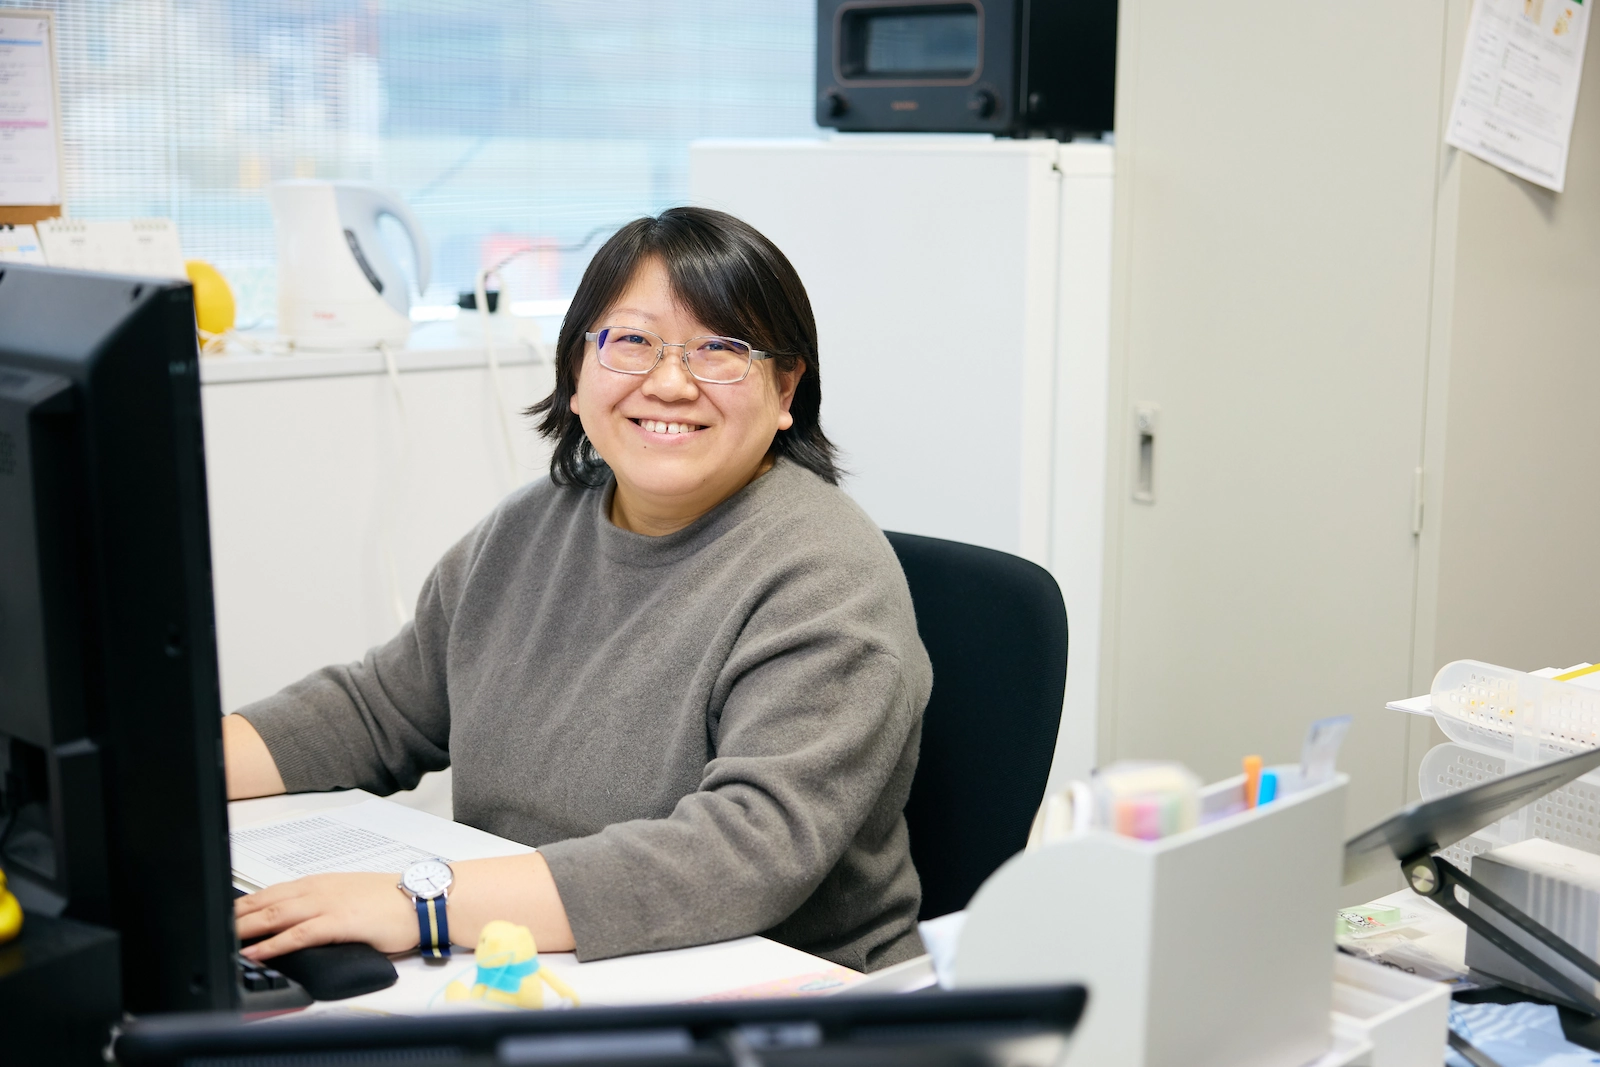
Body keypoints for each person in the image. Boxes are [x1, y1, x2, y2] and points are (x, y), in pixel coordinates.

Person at [225, 207, 933, 973]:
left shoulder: (827, 574)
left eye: (721, 349)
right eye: (632, 341)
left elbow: (744, 850)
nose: (671, 382)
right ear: (576, 370)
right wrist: (161, 776)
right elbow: (376, 711)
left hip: (776, 989)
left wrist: (420, 901)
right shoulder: (531, 526)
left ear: (786, 385)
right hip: (539, 957)